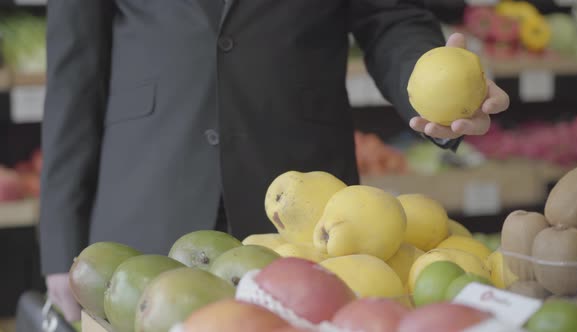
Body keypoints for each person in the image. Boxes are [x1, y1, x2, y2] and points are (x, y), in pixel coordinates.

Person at [40, 0, 509, 322]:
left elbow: (389, 15)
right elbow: (74, 67)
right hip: (148, 188)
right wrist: (61, 238)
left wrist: (434, 91)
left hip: (307, 202)